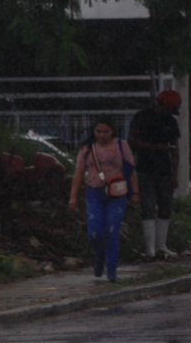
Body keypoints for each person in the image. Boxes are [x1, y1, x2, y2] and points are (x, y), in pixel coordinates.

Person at [68, 118, 138, 282]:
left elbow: (131, 170)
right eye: (98, 131)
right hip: (94, 193)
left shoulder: (121, 145)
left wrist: (135, 192)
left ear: (112, 131)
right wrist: (73, 196)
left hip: (117, 194)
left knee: (113, 231)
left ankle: (112, 270)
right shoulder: (87, 148)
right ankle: (100, 256)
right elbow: (79, 172)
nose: (101, 135)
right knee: (95, 232)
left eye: (105, 131)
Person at [128, 89, 181, 259]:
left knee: (165, 207)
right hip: (144, 168)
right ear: (160, 105)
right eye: (167, 109)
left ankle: (161, 246)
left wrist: (175, 175)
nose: (169, 114)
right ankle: (150, 248)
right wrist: (152, 147)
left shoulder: (171, 122)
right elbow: (131, 140)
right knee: (148, 207)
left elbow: (175, 149)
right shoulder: (142, 117)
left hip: (164, 170)